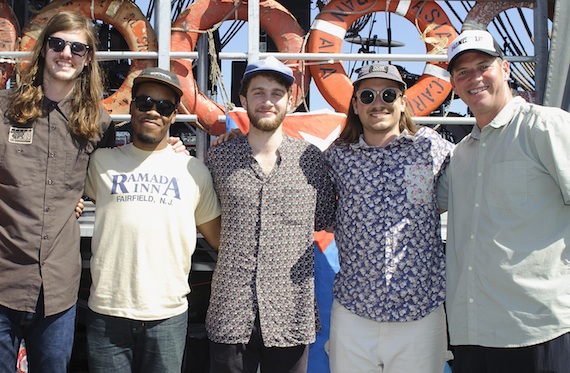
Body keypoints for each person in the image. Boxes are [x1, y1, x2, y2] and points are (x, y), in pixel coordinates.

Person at [437, 29, 570, 373]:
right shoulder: (460, 155)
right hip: (471, 334)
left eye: (484, 65)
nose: (474, 78)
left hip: (537, 330)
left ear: (505, 69)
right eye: (462, 72)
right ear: (453, 82)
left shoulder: (546, 127)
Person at [83, 67, 221, 372]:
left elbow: (219, 239)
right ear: (131, 107)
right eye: (144, 102)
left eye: (164, 106)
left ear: (173, 116)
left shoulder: (194, 171)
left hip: (167, 317)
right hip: (107, 313)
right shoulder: (100, 162)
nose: (153, 112)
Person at [205, 56, 336, 373]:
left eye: (276, 93)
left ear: (290, 101)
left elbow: (325, 219)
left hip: (290, 313)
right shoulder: (219, 158)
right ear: (243, 99)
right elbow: (204, 215)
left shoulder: (312, 160)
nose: (267, 101)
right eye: (258, 92)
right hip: (231, 312)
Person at [0, 12, 115, 372]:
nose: (67, 53)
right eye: (58, 44)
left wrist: (171, 147)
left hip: (58, 292)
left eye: (77, 48)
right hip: (3, 279)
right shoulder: (3, 112)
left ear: (87, 59)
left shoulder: (99, 124)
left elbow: (124, 165)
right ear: (43, 49)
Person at [323, 63, 454, 373]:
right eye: (367, 95)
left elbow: (479, 164)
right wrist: (235, 139)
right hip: (355, 312)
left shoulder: (433, 149)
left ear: (403, 101)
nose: (378, 103)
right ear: (355, 105)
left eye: (388, 94)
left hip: (420, 312)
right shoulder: (337, 156)